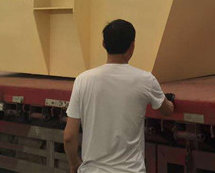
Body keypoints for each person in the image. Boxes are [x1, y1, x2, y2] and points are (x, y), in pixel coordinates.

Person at [64, 19, 175, 173]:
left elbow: (69, 136)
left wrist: (74, 165)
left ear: (103, 44)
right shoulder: (145, 80)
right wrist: (169, 102)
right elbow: (167, 110)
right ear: (132, 46)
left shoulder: (83, 80)